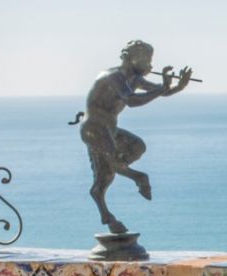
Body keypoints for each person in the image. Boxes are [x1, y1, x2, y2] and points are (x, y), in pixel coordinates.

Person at [73, 40, 192, 234]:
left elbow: (160, 91)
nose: (150, 64)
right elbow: (132, 101)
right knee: (112, 165)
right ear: (131, 58)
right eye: (146, 59)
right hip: (94, 128)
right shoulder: (113, 77)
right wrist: (162, 88)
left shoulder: (134, 79)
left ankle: (114, 172)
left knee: (136, 147)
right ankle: (137, 177)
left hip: (109, 129)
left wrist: (180, 85)